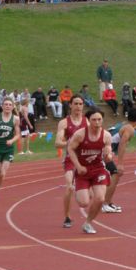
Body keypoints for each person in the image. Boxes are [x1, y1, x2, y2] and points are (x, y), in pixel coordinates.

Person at [67, 108, 112, 234]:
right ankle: (80, 188)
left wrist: (108, 156)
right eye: (94, 120)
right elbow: (70, 149)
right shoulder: (80, 134)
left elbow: (108, 155)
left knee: (100, 198)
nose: (97, 122)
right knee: (83, 203)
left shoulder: (106, 135)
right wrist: (78, 166)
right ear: (88, 120)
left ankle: (88, 223)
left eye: (99, 119)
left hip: (98, 169)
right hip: (83, 171)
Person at [103, 107, 136, 213]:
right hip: (103, 152)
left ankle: (107, 202)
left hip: (102, 149)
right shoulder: (129, 129)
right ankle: (105, 204)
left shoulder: (124, 124)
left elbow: (134, 128)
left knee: (110, 175)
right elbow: (122, 144)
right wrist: (120, 164)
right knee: (115, 174)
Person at [54, 94, 87, 227]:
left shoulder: (88, 122)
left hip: (86, 159)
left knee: (88, 195)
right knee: (69, 187)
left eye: (80, 104)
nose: (78, 106)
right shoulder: (64, 123)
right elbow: (57, 143)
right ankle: (67, 216)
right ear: (70, 105)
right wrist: (71, 143)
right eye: (76, 104)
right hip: (70, 159)